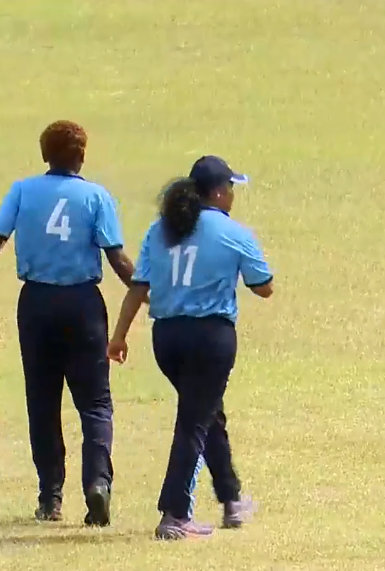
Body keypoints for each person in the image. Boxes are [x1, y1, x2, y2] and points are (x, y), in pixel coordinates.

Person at [107, 155, 272, 540]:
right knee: (194, 422)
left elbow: (138, 288)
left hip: (167, 338)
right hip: (210, 339)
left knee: (206, 413)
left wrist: (118, 336)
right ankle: (174, 515)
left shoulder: (160, 229)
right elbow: (263, 286)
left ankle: (232, 501)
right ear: (217, 192)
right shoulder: (233, 232)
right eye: (230, 188)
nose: (232, 195)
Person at [0, 120, 138, 526]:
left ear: (44, 155)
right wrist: (148, 291)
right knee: (95, 403)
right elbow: (117, 257)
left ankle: (50, 498)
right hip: (83, 303)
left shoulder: (22, 190)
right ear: (82, 155)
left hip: (36, 303)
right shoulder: (95, 196)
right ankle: (98, 484)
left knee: (43, 400)